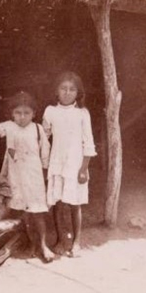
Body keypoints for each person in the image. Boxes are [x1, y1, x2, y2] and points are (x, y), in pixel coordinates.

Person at [0, 91, 55, 263]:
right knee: (25, 213)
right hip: (17, 177)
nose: (22, 117)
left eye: (26, 113)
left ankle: (43, 245)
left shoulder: (37, 129)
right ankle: (32, 244)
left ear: (34, 113)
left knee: (37, 212)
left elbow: (45, 152)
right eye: (18, 113)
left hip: (34, 177)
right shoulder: (9, 126)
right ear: (12, 114)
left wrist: (44, 174)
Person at [43, 72, 96, 257]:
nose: (67, 93)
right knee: (58, 203)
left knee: (75, 204)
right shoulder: (50, 111)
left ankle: (76, 242)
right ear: (56, 91)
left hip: (75, 164)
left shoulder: (82, 114)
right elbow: (43, 137)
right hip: (57, 162)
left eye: (72, 89)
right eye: (63, 89)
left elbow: (88, 143)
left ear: (78, 93)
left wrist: (84, 169)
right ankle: (60, 240)